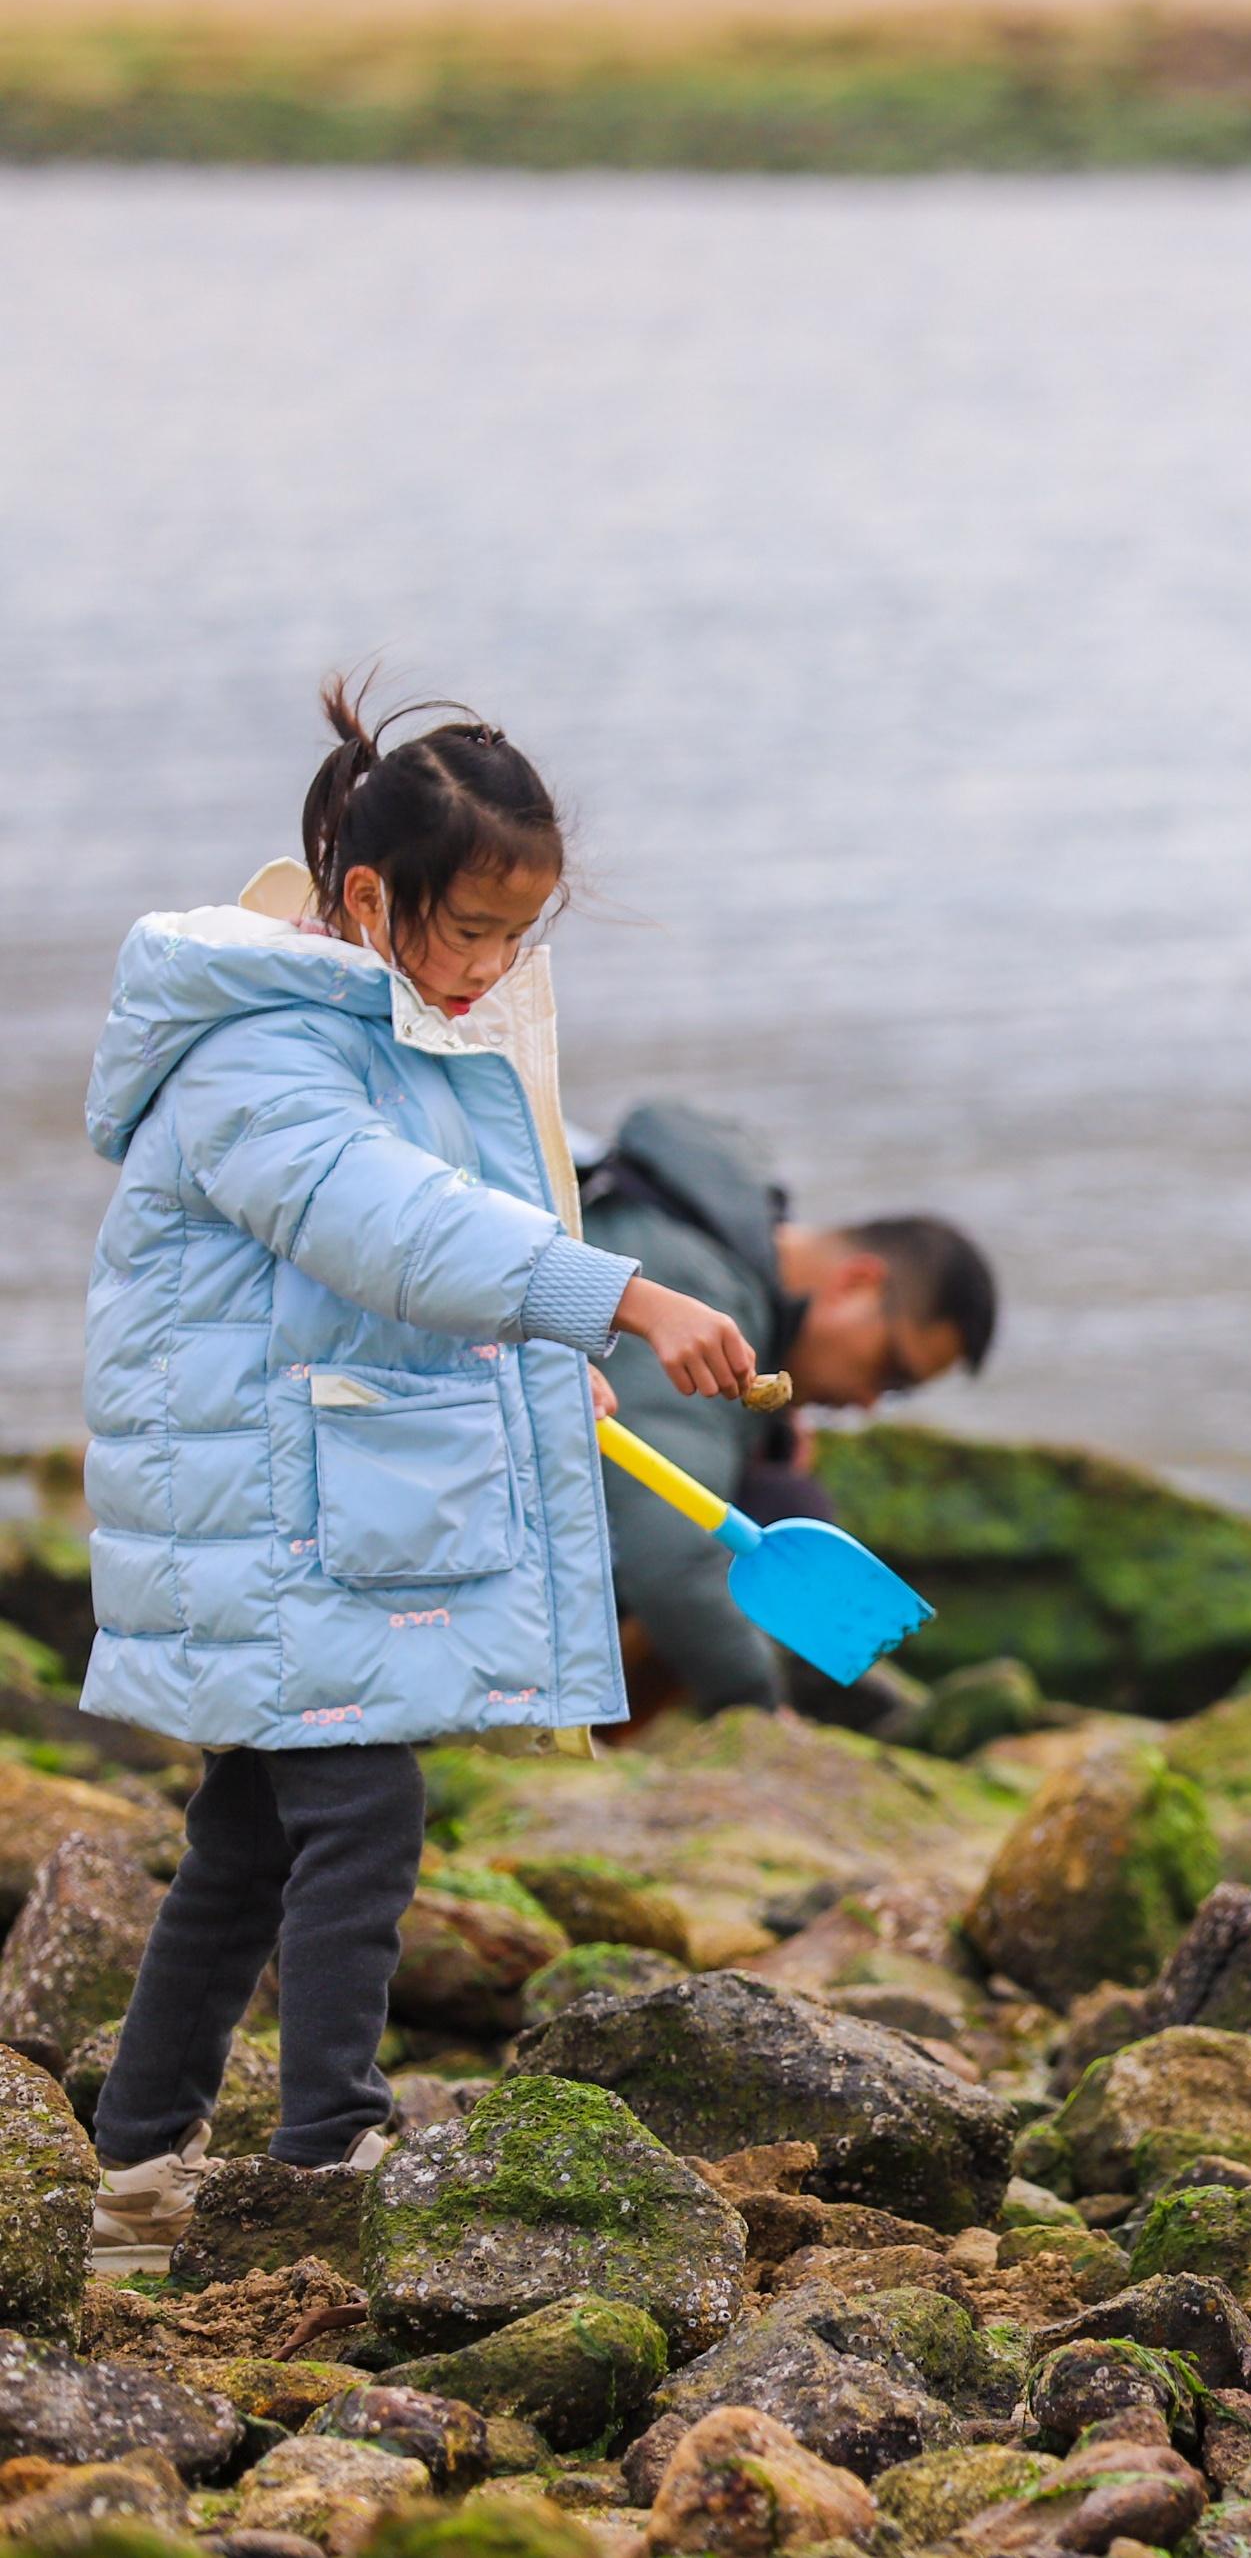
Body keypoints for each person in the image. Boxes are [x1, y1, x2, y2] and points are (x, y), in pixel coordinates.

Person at [74, 680, 759, 2268]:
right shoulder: (259, 1046)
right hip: (270, 1504)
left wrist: (540, 1356)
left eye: (520, 938)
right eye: (467, 931)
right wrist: (624, 1291)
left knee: (247, 1840)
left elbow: (408, 1273)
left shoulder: (395, 1032)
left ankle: (138, 2161)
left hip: (316, 1495)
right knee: (360, 1810)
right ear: (367, 896)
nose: (490, 969)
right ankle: (326, 2151)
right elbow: (381, 1223)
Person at [578, 1100, 998, 1720]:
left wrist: (763, 1421)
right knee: (769, 1516)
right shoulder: (696, 1288)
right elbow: (670, 1555)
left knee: (779, 1492)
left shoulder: (703, 1226)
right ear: (856, 1284)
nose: (867, 1402)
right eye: (890, 1372)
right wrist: (761, 1717)